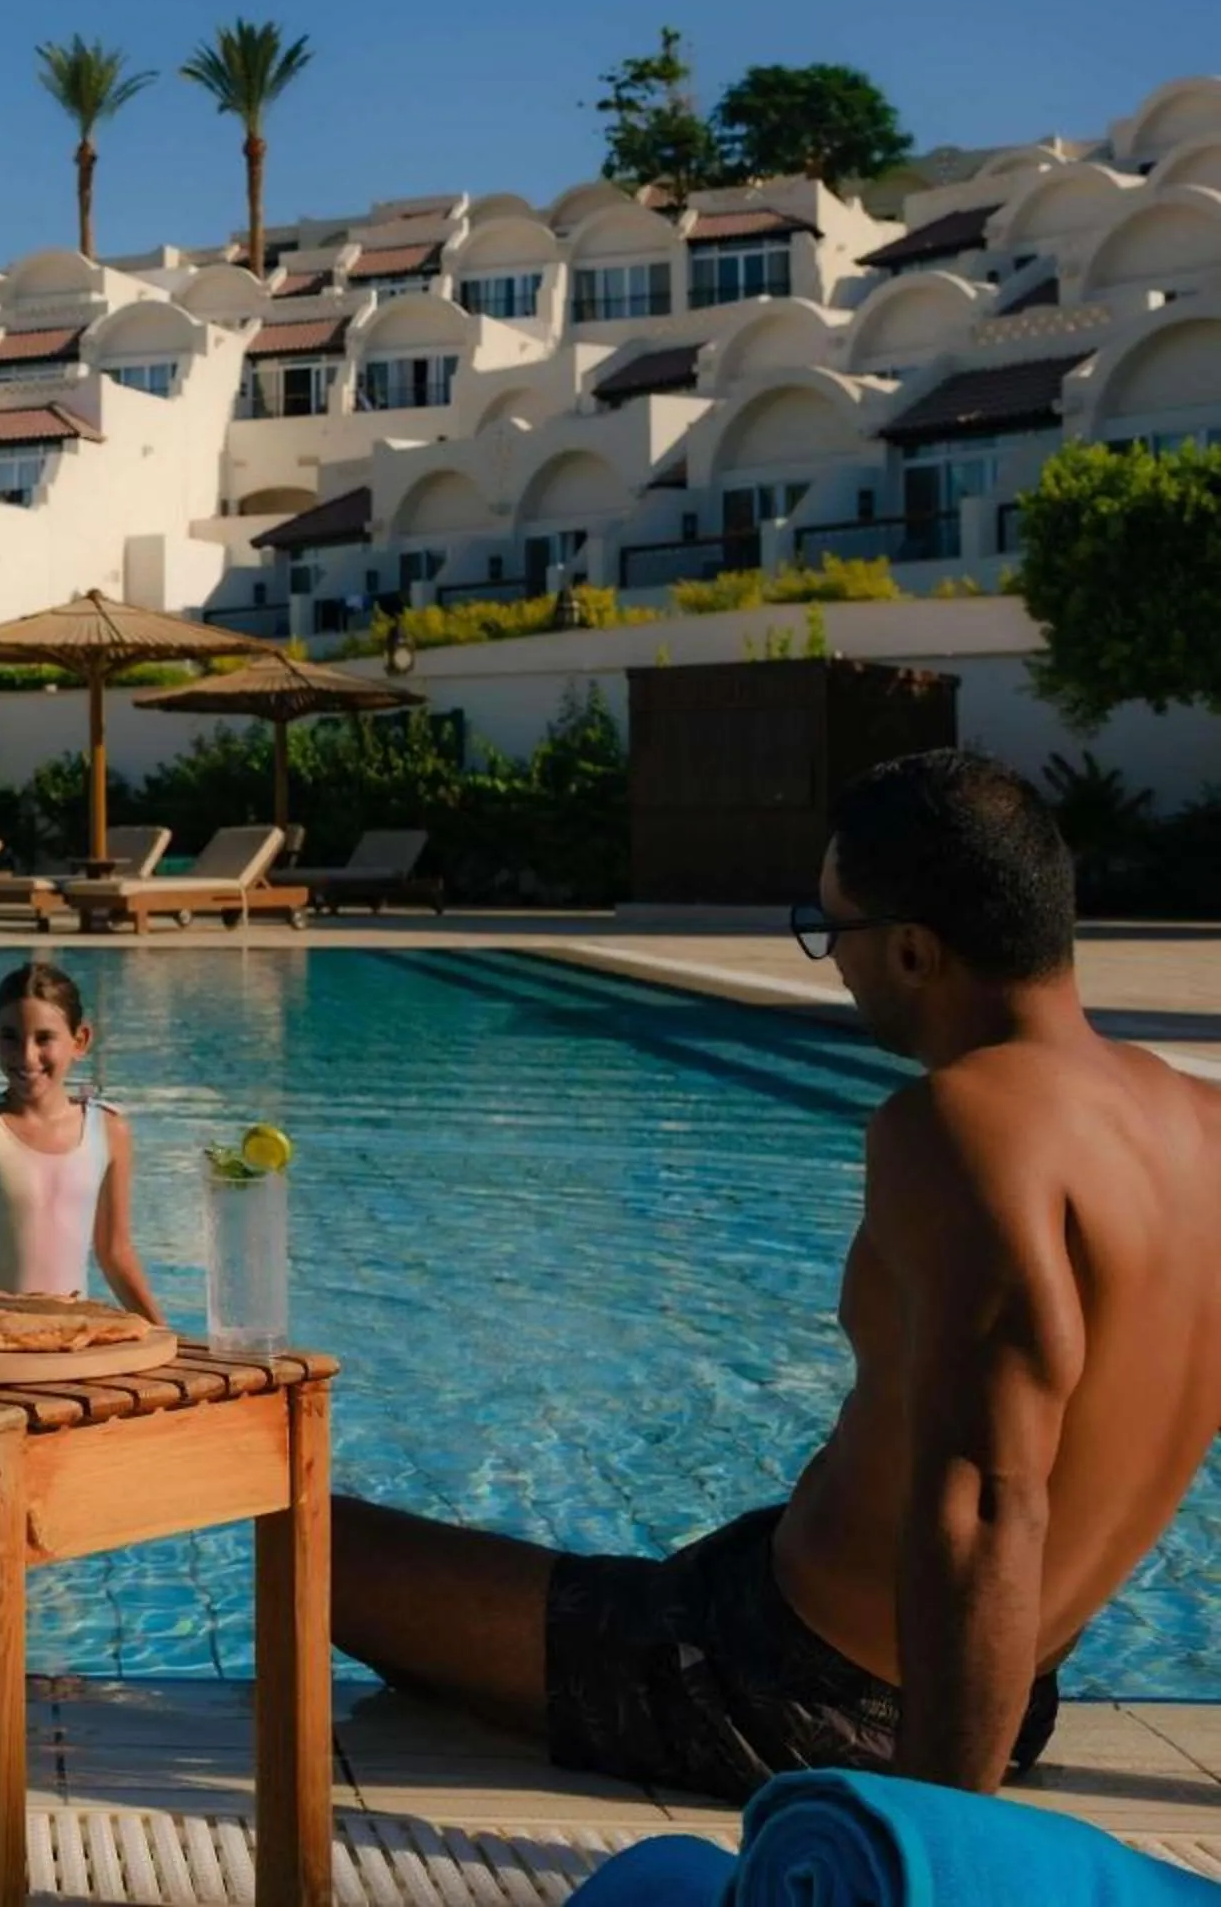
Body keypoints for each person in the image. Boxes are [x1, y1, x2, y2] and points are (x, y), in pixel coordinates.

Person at [329, 751, 1221, 1805]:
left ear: (911, 950)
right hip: (987, 1685)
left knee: (302, 1536)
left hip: (790, 1695)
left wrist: (932, 1839)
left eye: (829, 931)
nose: (832, 965)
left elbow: (988, 1501)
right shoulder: (1200, 1127)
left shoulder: (962, 1125)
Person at [0, 961, 167, 1321]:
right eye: (10, 1037)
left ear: (80, 1041)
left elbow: (115, 1252)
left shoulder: (109, 1131)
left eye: (44, 1038)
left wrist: (165, 1334)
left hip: (71, 1338)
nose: (26, 1056)